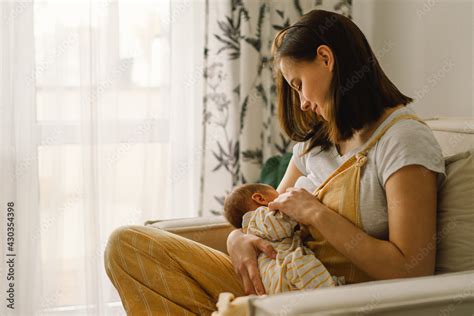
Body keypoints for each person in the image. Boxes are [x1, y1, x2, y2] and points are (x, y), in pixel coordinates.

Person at [104, 9, 445, 315]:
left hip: (332, 299)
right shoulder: (315, 144)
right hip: (275, 285)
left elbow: (411, 269)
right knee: (126, 245)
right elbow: (266, 217)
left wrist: (316, 214)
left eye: (299, 85)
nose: (303, 103)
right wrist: (236, 239)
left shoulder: (402, 140)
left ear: (326, 58)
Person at [223, 182, 343, 294]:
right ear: (260, 199)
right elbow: (279, 226)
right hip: (284, 267)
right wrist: (297, 209)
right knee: (307, 272)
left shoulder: (252, 227)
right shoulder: (260, 215)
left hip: (273, 279)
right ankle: (332, 294)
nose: (283, 196)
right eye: (278, 194)